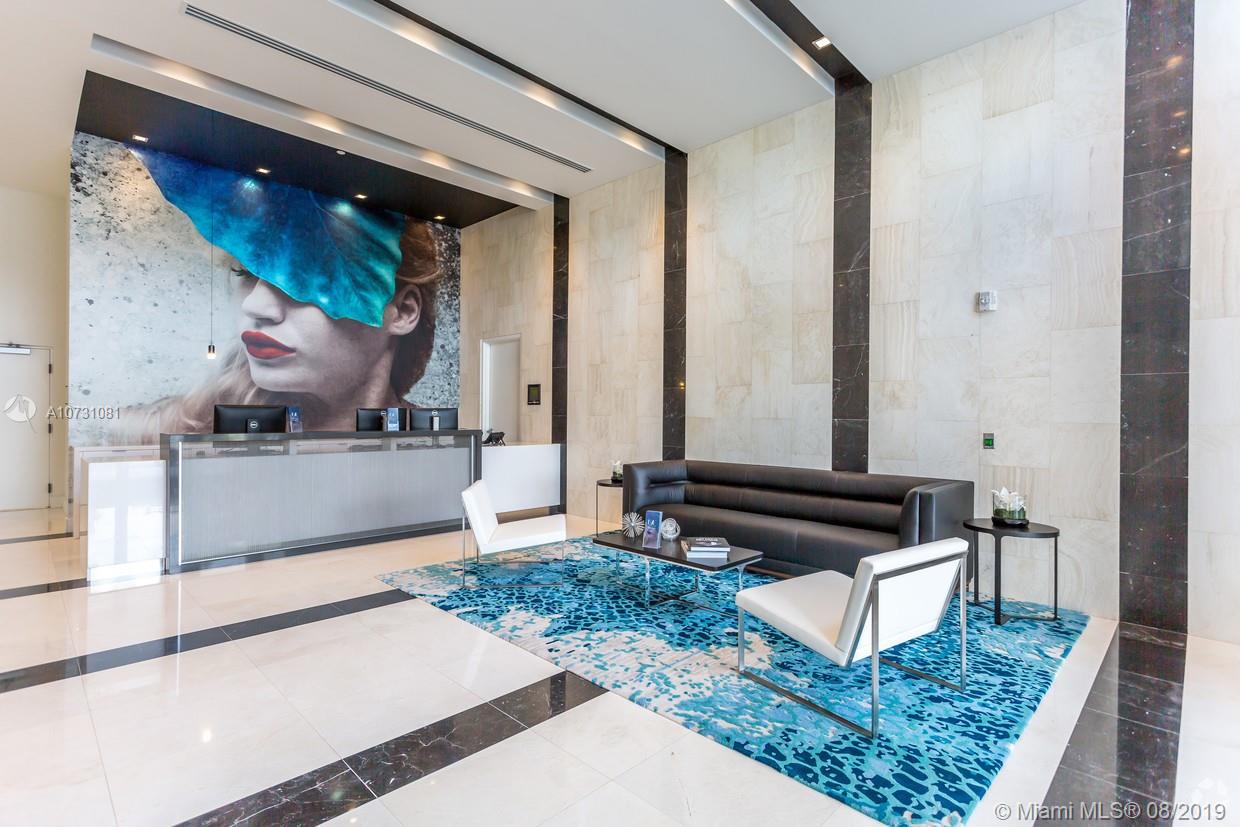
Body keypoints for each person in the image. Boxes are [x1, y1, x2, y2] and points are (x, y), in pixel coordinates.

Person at [111, 149, 444, 439]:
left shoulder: (435, 440)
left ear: (403, 311)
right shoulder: (162, 434)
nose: (255, 306)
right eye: (244, 273)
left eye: (305, 276)